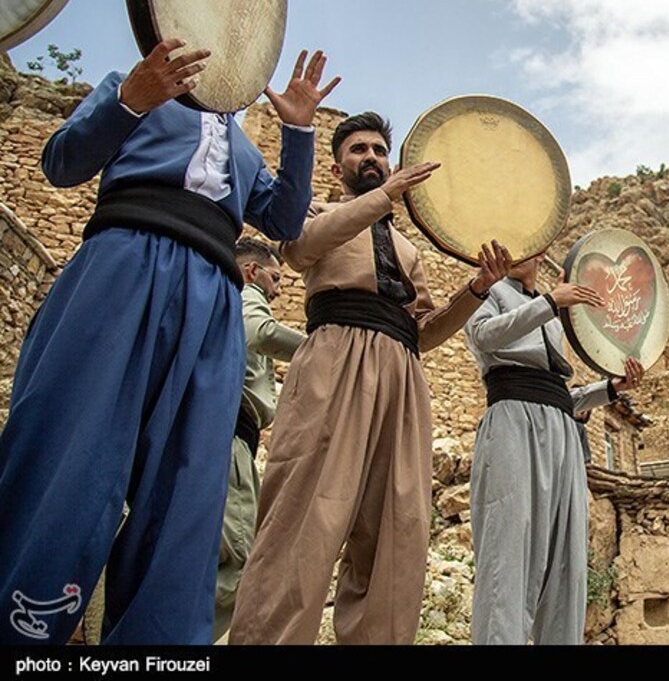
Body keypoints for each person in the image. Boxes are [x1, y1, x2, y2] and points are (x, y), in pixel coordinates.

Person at [0, 41, 337, 645]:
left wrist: (300, 130)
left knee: (188, 485)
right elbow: (61, 163)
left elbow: (284, 222)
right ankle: (23, 626)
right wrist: (132, 100)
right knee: (70, 448)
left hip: (212, 300)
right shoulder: (129, 87)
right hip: (122, 266)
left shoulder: (242, 145)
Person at [229, 111, 510, 645]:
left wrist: (475, 290)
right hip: (335, 356)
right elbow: (300, 249)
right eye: (358, 150)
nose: (372, 158)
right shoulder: (317, 211)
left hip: (403, 375)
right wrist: (386, 197)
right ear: (338, 168)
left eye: (380, 151)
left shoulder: (408, 251)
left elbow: (424, 332)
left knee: (395, 533)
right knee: (303, 518)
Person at [463, 254, 644, 645]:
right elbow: (482, 336)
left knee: (567, 563)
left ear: (540, 254)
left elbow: (560, 396)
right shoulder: (488, 290)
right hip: (512, 421)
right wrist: (549, 302)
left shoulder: (552, 313)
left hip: (562, 432)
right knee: (507, 555)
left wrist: (611, 389)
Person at [213, 238, 306, 641]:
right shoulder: (247, 295)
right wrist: (322, 347)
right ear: (252, 271)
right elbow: (259, 332)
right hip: (231, 440)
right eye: (275, 276)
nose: (279, 288)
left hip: (225, 437)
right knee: (234, 564)